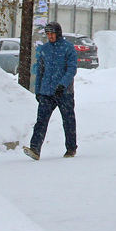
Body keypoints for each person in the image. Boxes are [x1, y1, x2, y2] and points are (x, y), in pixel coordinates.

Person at [24, 22, 78, 160]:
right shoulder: (44, 49)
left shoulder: (68, 48)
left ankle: (71, 148)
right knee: (41, 120)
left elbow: (71, 69)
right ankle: (35, 148)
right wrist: (38, 90)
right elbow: (40, 71)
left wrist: (62, 85)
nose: (50, 36)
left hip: (64, 93)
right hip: (46, 92)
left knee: (68, 120)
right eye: (48, 34)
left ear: (58, 33)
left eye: (52, 34)